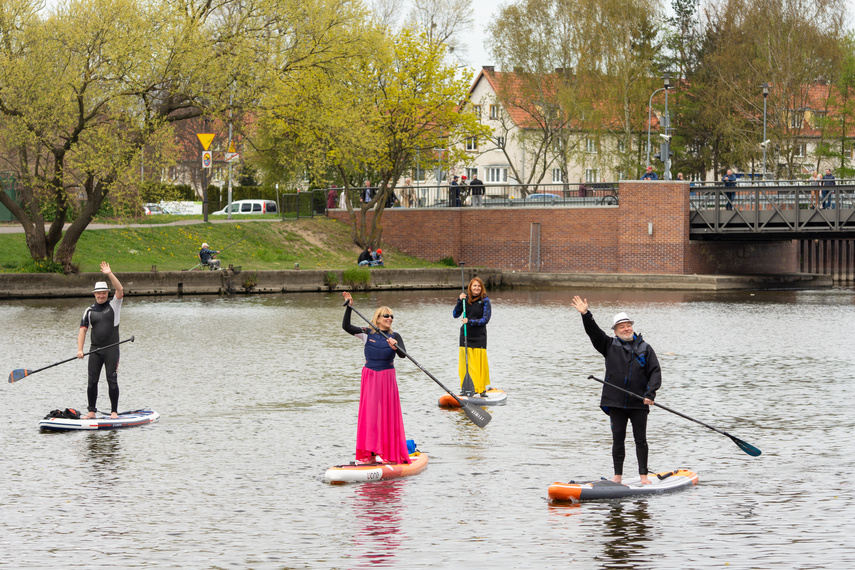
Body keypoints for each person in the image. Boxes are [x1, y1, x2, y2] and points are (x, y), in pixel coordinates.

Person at [570, 296, 661, 485]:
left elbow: (655, 372)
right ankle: (617, 476)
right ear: (616, 331)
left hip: (639, 403)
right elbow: (594, 333)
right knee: (618, 440)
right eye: (622, 327)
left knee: (640, 440)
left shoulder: (645, 348)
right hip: (616, 402)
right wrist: (586, 315)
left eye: (628, 325)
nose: (626, 329)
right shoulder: (609, 345)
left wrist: (650, 393)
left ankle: (643, 476)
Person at [341, 291, 410, 465]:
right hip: (370, 377)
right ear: (378, 318)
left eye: (392, 316)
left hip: (387, 378)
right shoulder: (366, 333)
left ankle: (389, 454)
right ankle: (370, 454)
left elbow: (403, 355)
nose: (390, 318)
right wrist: (349, 306)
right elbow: (346, 327)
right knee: (370, 415)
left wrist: (395, 348)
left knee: (387, 415)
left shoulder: (395, 337)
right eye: (386, 315)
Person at [78, 262, 125, 419]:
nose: (101, 295)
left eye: (104, 293)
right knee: (92, 381)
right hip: (95, 350)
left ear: (107, 293)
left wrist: (109, 274)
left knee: (111, 379)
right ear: (94, 294)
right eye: (98, 293)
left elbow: (120, 290)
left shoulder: (114, 305)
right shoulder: (89, 311)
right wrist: (80, 350)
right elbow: (82, 331)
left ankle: (114, 412)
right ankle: (91, 411)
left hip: (112, 349)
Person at [452, 277, 492, 396]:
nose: (477, 288)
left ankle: (480, 389)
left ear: (482, 288)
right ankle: (466, 387)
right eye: (474, 286)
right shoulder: (465, 300)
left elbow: (485, 319)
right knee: (465, 364)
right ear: (470, 287)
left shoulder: (485, 300)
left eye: (479, 286)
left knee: (478, 364)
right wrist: (459, 301)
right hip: (465, 335)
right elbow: (455, 314)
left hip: (479, 336)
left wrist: (469, 321)